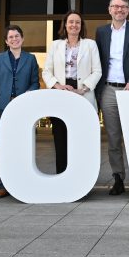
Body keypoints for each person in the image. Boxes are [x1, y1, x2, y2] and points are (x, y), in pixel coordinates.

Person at [95, 0, 129, 195]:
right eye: (116, 6)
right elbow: (97, 59)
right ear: (109, 9)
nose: (120, 10)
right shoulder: (100, 32)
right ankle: (118, 177)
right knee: (114, 137)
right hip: (108, 89)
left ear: (128, 10)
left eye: (124, 7)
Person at [44, 11, 101, 175]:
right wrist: (58, 86)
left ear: (81, 25)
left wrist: (82, 89)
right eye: (71, 22)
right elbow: (47, 71)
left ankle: (80, 177)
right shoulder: (55, 45)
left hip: (83, 92)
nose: (74, 25)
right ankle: (61, 175)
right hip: (60, 93)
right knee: (60, 137)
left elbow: (97, 71)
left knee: (81, 138)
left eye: (77, 22)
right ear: (65, 25)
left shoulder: (90, 45)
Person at [0, 25, 40, 198]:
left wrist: (27, 94)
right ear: (6, 41)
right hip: (2, 109)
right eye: (10, 37)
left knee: (23, 146)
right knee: (4, 147)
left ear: (22, 38)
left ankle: (23, 181)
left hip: (23, 110)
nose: (14, 39)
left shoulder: (31, 59)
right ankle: (3, 184)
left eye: (17, 36)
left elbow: (35, 83)